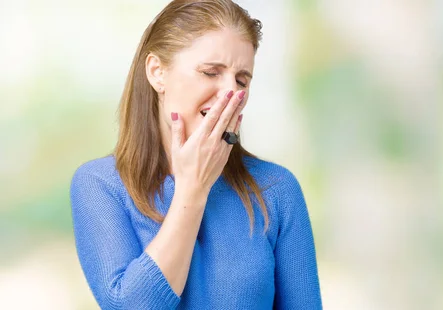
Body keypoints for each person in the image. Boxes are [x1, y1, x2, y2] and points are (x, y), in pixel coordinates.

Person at [69, 0, 322, 309]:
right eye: (210, 72)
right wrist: (193, 189)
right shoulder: (100, 185)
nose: (232, 93)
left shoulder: (276, 189)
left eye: (242, 79)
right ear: (157, 72)